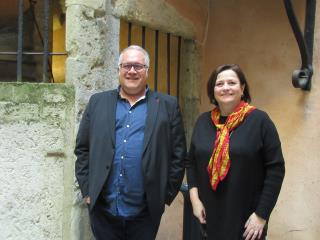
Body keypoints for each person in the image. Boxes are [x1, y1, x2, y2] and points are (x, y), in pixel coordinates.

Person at [75, 45, 186, 240]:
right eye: (126, 65)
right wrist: (87, 190)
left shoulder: (168, 105)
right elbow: (83, 149)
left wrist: (165, 195)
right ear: (119, 70)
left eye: (138, 66)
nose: (132, 71)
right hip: (103, 209)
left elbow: (178, 154)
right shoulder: (97, 102)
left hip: (145, 212)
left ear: (147, 71)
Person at [186, 64, 285, 240]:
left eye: (231, 82)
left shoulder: (260, 121)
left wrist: (261, 215)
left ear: (242, 88)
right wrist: (195, 201)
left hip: (246, 220)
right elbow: (191, 162)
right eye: (219, 83)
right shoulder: (203, 121)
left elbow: (276, 170)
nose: (225, 88)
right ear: (213, 90)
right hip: (206, 216)